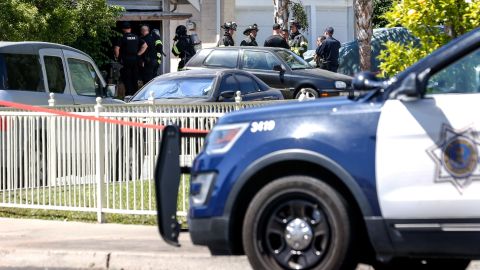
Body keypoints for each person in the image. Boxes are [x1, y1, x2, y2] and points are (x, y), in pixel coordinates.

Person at [114, 22, 148, 96]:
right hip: (135, 60)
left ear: (123, 29)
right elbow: (145, 45)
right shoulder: (136, 37)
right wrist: (138, 54)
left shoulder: (122, 37)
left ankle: (128, 94)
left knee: (127, 78)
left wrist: (118, 58)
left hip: (126, 60)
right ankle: (135, 95)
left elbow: (117, 48)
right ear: (130, 29)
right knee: (135, 77)